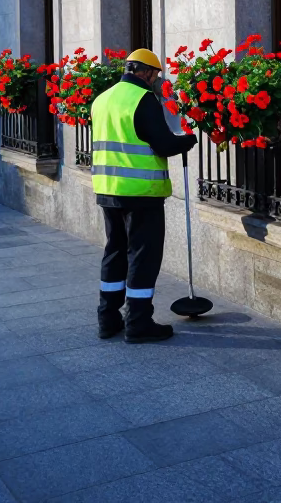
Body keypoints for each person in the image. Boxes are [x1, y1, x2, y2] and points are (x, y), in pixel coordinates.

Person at [91, 48, 196, 343]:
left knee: (114, 252)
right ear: (147, 72)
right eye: (155, 75)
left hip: (107, 189)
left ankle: (107, 319)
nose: (155, 80)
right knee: (143, 255)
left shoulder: (102, 98)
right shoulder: (143, 99)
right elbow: (162, 144)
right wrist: (186, 141)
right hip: (140, 192)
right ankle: (138, 322)